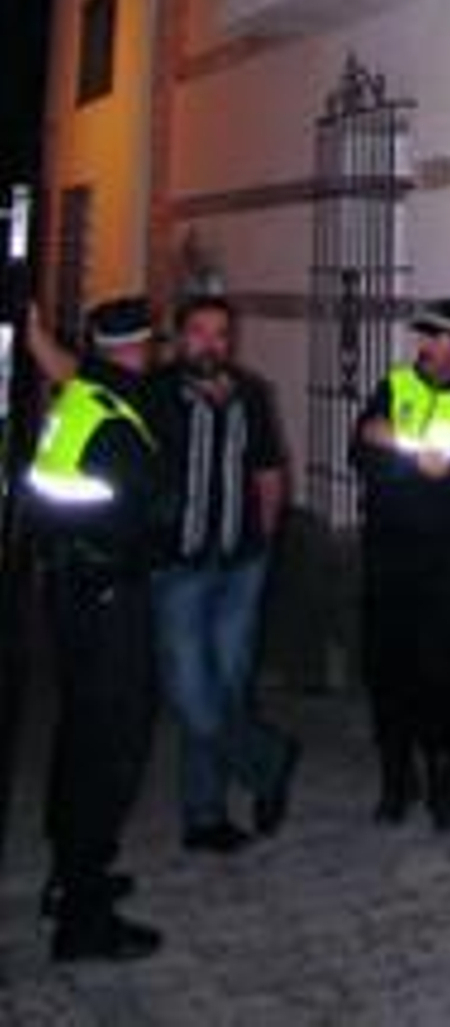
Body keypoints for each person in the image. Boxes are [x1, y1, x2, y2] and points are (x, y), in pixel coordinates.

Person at [23, 297, 171, 963]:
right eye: (152, 346)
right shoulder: (114, 422)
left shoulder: (80, 397)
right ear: (136, 350)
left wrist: (36, 340)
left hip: (72, 596)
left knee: (78, 738)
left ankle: (68, 877)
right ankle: (84, 918)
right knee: (108, 753)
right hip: (108, 602)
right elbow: (140, 517)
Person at [143, 292, 298, 851]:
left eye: (221, 334)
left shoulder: (252, 394)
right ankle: (267, 761)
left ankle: (204, 816)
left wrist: (266, 542)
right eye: (200, 332)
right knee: (190, 689)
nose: (211, 343)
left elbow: (268, 471)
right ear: (179, 336)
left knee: (228, 685)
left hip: (240, 563)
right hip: (177, 565)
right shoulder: (154, 393)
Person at [351, 296, 450, 829]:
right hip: (388, 558)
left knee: (440, 679)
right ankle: (395, 781)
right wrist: (412, 455)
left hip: (447, 570)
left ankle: (443, 785)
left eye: (436, 338)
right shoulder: (396, 385)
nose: (424, 347)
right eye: (424, 337)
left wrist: (395, 447)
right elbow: (361, 448)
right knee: (385, 671)